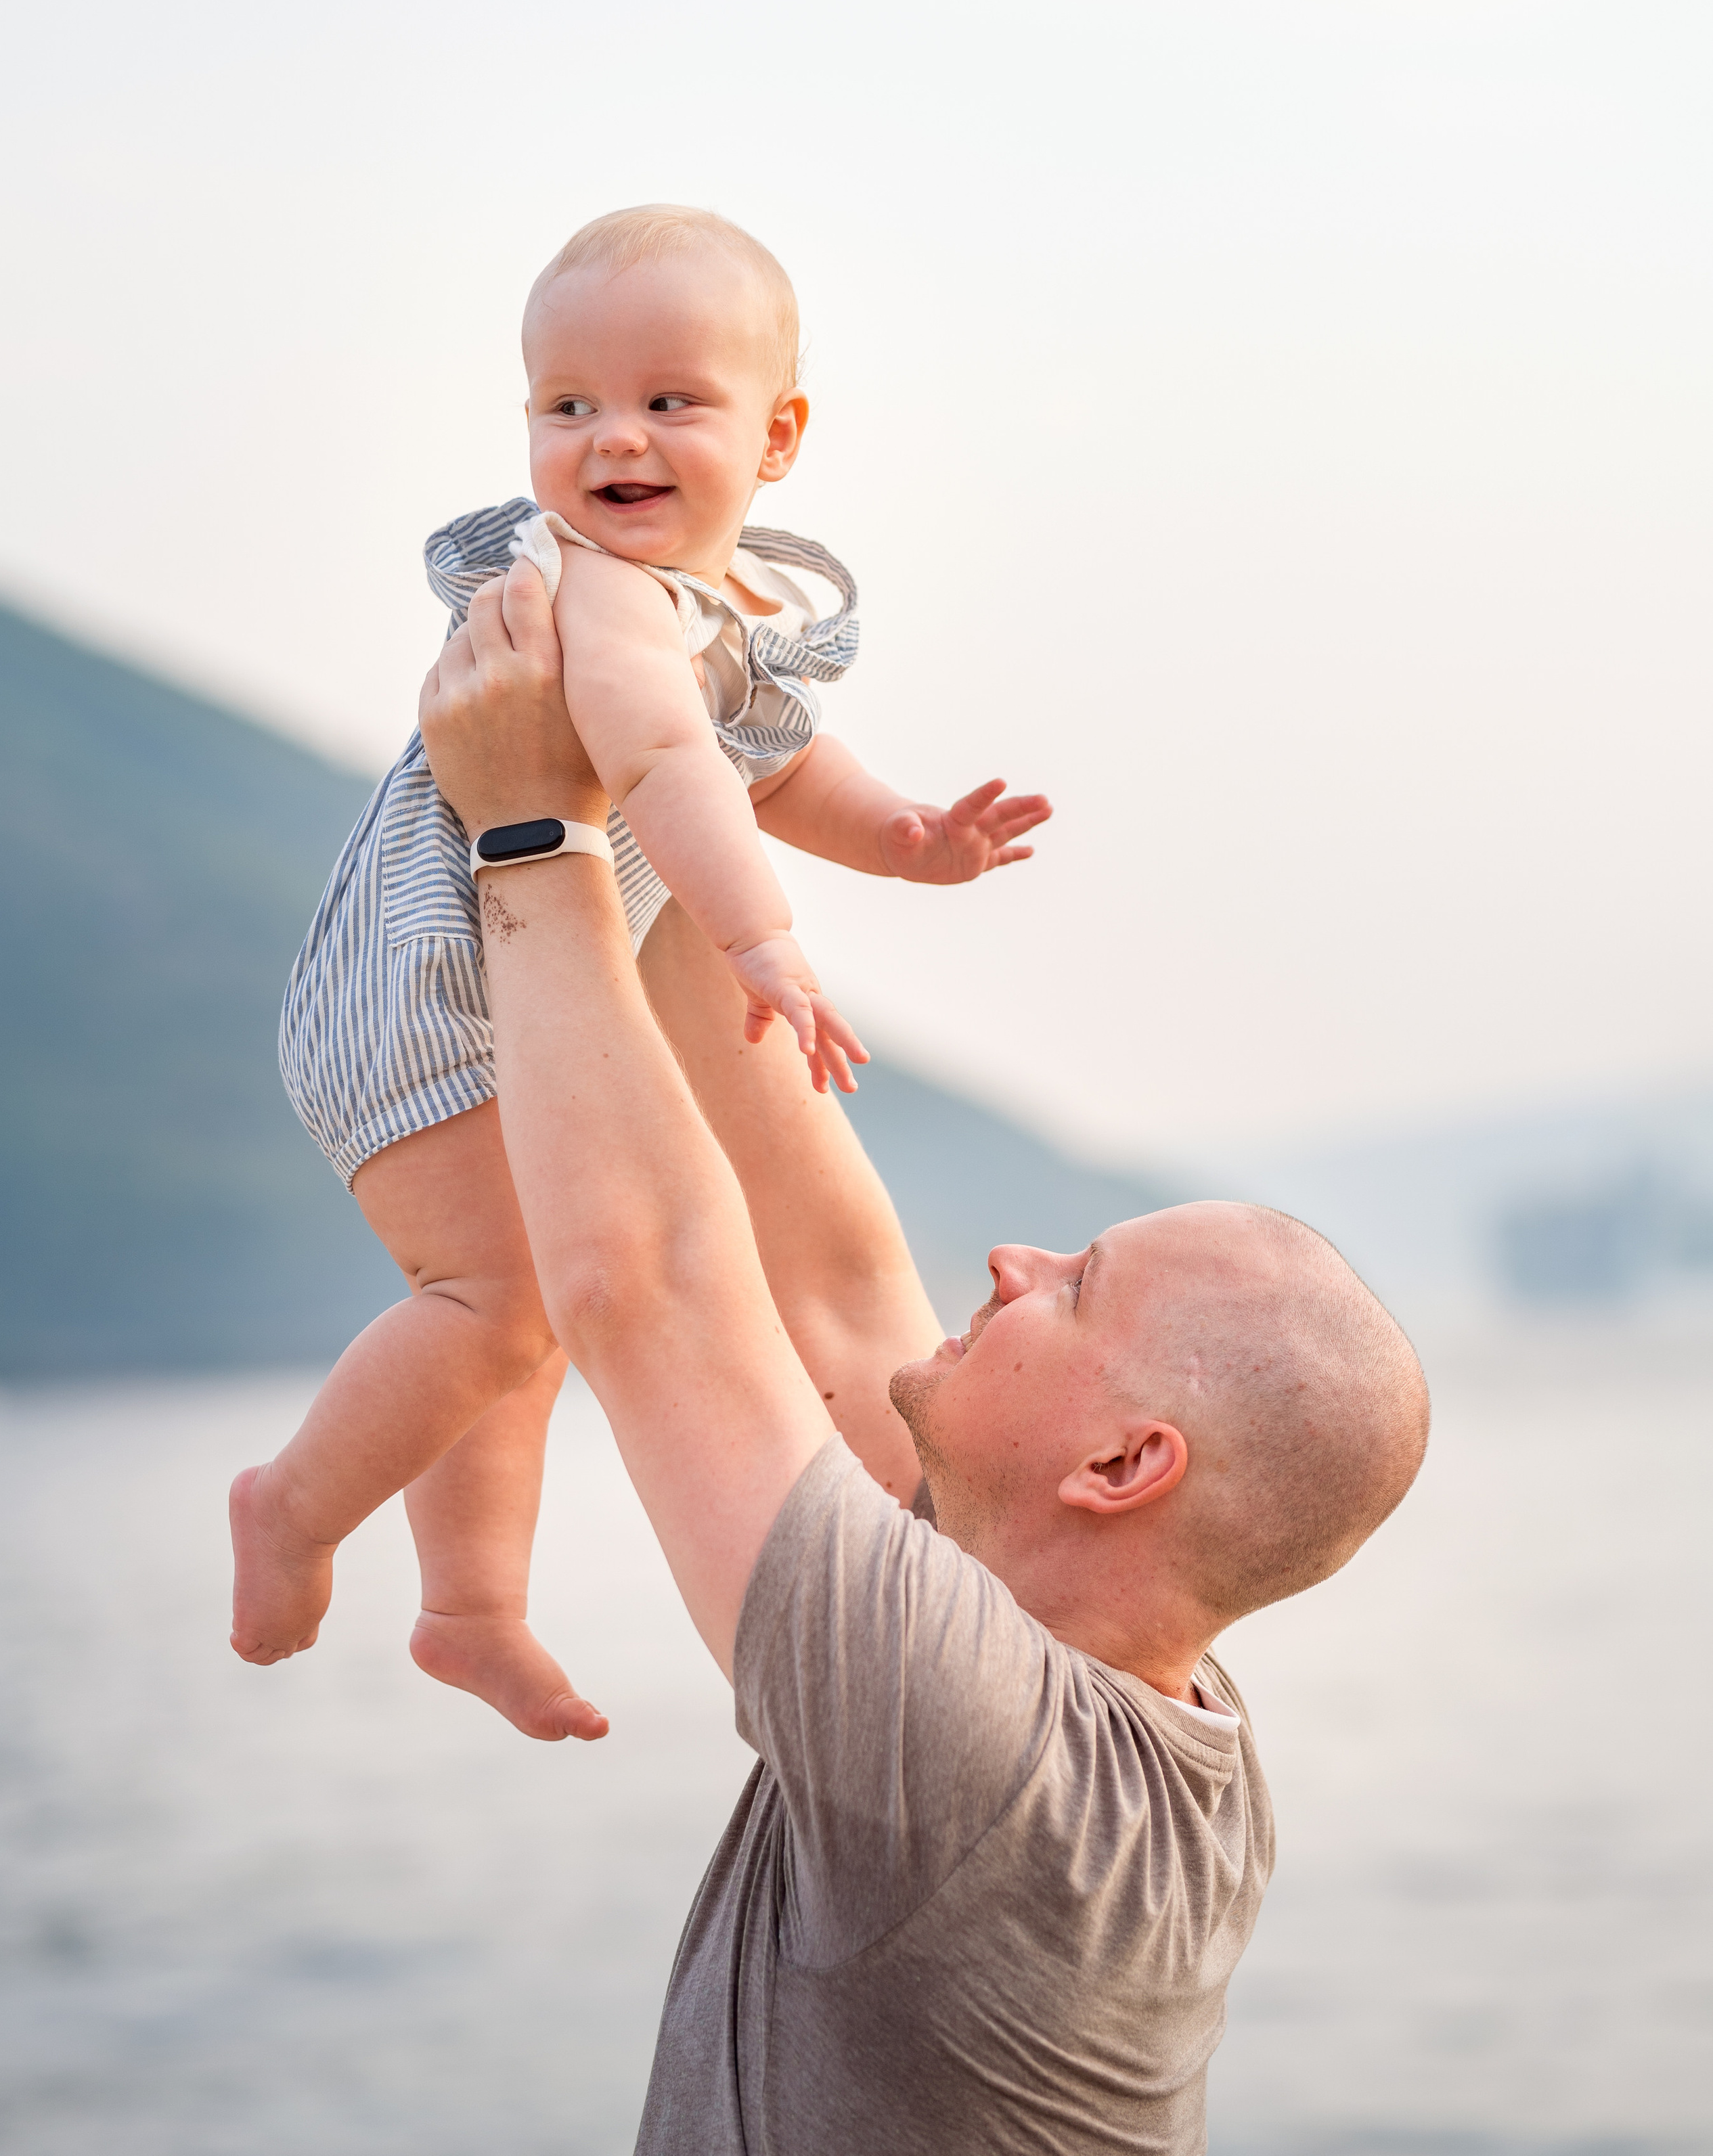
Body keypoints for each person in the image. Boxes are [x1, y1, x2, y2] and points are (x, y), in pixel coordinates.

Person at [416, 559, 1433, 2156]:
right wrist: (651, 756)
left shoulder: (978, 1754)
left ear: (1120, 1466)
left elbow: (646, 1293)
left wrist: (528, 837)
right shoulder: (1111, 1661)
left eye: (1074, 1285)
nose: (1010, 1262)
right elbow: (824, 1287)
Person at [232, 204, 1050, 1742]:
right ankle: (288, 1510)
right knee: (501, 1303)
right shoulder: (604, 593)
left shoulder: (712, 609)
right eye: (567, 406)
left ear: (778, 433)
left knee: (501, 1311)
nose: (614, 437)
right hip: (426, 999)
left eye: (669, 400)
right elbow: (676, 767)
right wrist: (764, 943)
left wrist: (910, 838)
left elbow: (779, 765)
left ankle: (467, 1612)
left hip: (484, 995)